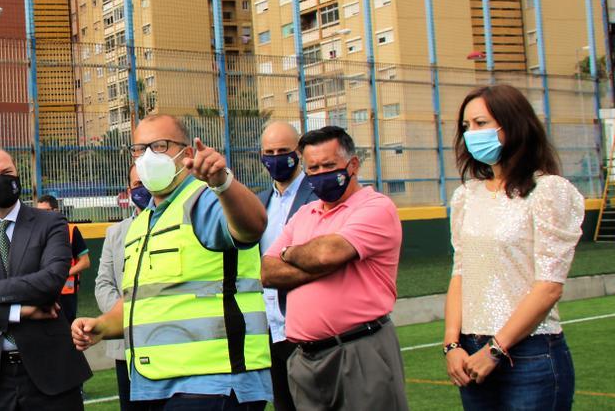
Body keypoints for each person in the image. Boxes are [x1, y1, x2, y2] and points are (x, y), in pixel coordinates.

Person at [72, 114, 272, 410]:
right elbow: (142, 300)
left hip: (213, 381)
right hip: (155, 383)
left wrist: (223, 183)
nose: (146, 156)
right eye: (139, 149)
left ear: (187, 153)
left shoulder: (206, 200)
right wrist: (101, 325)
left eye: (159, 146)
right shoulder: (141, 224)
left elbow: (252, 226)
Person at [443, 84, 583, 409]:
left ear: (514, 126)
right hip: (470, 354)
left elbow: (549, 287)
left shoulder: (548, 192)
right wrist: (452, 345)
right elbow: (460, 274)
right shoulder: (467, 196)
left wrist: (496, 349)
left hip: (529, 353)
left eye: (481, 124)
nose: (471, 134)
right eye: (466, 127)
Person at [261, 126, 408, 410]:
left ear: (352, 165)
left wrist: (290, 253)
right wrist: (319, 262)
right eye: (312, 168)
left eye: (329, 166)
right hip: (305, 358)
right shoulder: (306, 213)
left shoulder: (375, 207)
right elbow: (268, 271)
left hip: (359, 349)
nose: (320, 174)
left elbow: (328, 253)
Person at [0, 147, 93, 410]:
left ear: (18, 174)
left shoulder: (51, 222)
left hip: (53, 372)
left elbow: (50, 283)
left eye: (7, 172)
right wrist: (19, 312)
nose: (2, 180)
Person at [254, 121, 315, 411]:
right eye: (269, 151)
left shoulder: (317, 196)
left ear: (298, 151)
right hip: (268, 326)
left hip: (304, 321)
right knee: (283, 403)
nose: (276, 157)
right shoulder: (259, 203)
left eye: (283, 150)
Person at [93, 166, 145, 411]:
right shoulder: (115, 233)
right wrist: (125, 315)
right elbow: (103, 283)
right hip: (126, 344)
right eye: (137, 184)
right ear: (128, 191)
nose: (142, 188)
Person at [36, 194, 91, 323]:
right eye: (38, 212)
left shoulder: (71, 231)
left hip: (66, 293)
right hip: (44, 291)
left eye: (45, 211)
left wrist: (62, 274)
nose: (40, 216)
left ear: (55, 211)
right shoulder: (36, 233)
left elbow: (85, 262)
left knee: (67, 331)